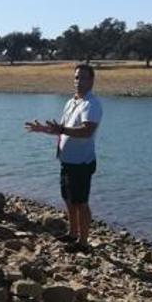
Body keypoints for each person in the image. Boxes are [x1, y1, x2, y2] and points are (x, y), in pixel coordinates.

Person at [25, 64, 102, 253]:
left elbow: (87, 131)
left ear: (91, 81)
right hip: (67, 161)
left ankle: (83, 243)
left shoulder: (91, 104)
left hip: (81, 162)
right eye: (76, 77)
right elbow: (63, 129)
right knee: (68, 199)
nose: (79, 81)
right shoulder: (71, 102)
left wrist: (61, 129)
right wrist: (44, 129)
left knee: (81, 202)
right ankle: (72, 233)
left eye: (83, 78)